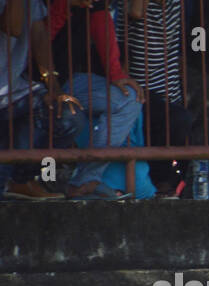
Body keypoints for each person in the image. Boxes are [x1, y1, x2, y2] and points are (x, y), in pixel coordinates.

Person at [49, 0, 144, 199]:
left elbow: (102, 24)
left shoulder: (96, 5)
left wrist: (116, 73)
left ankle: (85, 181)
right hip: (29, 79)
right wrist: (65, 5)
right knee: (67, 117)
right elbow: (36, 37)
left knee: (129, 99)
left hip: (69, 79)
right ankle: (27, 179)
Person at [1, 0, 88, 199]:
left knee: (68, 116)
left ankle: (22, 180)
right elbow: (11, 27)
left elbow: (39, 34)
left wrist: (54, 88)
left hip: (16, 92)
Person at [109, 0, 191, 195]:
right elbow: (136, 13)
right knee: (147, 132)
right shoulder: (126, 5)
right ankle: (152, 182)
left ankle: (165, 182)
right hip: (137, 90)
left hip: (167, 87)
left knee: (180, 125)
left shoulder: (174, 5)